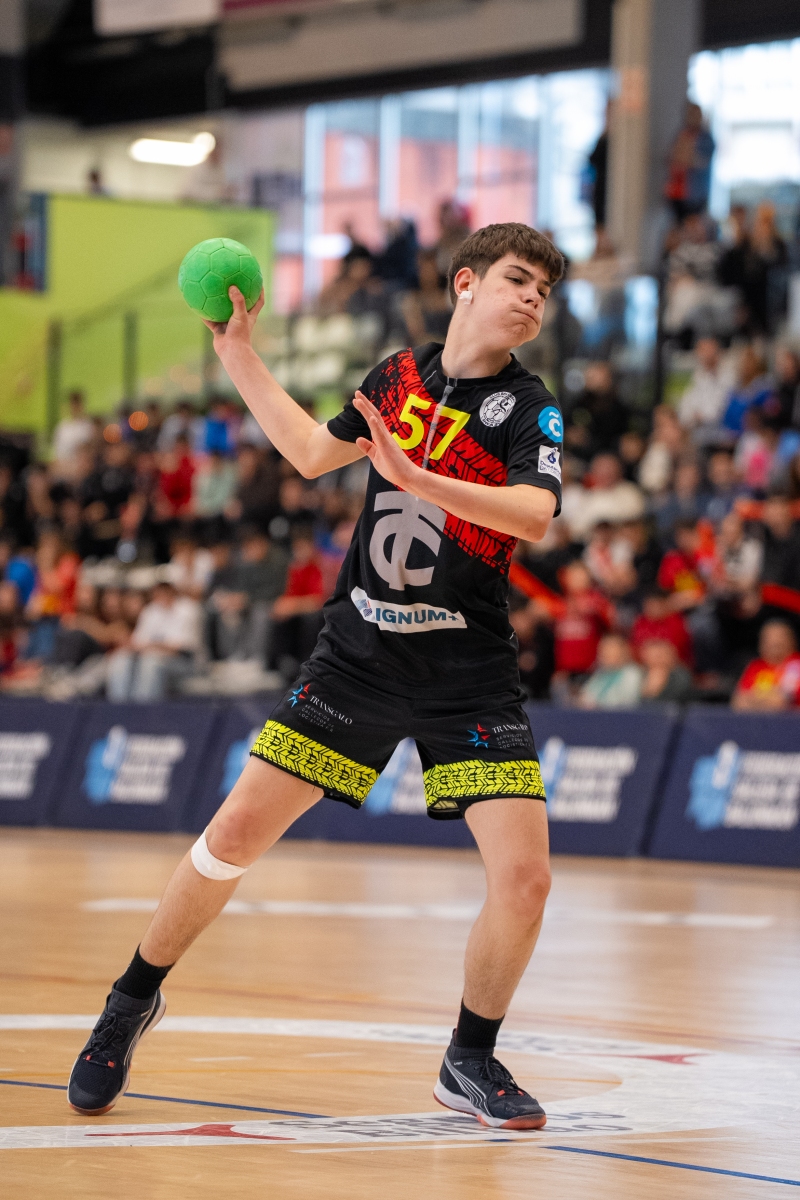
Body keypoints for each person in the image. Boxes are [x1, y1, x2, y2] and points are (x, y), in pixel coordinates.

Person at [68, 221, 565, 1131]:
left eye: (544, 290)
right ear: (465, 283)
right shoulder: (396, 377)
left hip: (467, 672)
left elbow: (533, 515)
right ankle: (130, 1000)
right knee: (232, 836)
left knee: (526, 879)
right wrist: (238, 353)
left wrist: (418, 477)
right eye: (517, 279)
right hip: (358, 658)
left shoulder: (530, 408)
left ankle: (470, 1058)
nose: (533, 299)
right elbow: (307, 451)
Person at [106, 580, 201, 702]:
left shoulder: (188, 609)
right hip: (149, 655)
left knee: (151, 662)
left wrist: (152, 646)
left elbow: (182, 647)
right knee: (121, 658)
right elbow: (138, 642)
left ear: (171, 593)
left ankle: (144, 710)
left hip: (185, 661)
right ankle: (119, 708)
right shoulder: (151, 610)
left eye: (163, 594)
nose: (160, 598)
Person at [732, 620, 800, 711]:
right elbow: (738, 701)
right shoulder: (756, 666)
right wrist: (769, 697)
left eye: (778, 644)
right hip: (756, 719)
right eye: (768, 641)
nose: (773, 644)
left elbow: (780, 702)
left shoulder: (796, 665)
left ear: (791, 641)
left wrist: (754, 698)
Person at [578, 633, 642, 709]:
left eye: (610, 648)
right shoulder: (600, 673)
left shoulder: (632, 673)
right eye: (603, 648)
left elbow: (625, 702)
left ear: (623, 650)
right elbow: (585, 697)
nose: (605, 652)